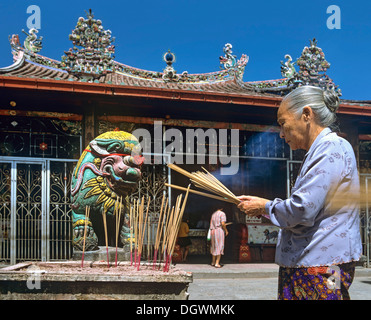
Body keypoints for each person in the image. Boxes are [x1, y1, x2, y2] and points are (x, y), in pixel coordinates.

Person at [237, 85, 362, 300]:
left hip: (319, 266)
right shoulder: (321, 150)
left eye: (283, 123)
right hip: (312, 263)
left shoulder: (331, 148)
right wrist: (266, 209)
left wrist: (264, 206)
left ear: (306, 115)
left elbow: (303, 208)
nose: (281, 133)